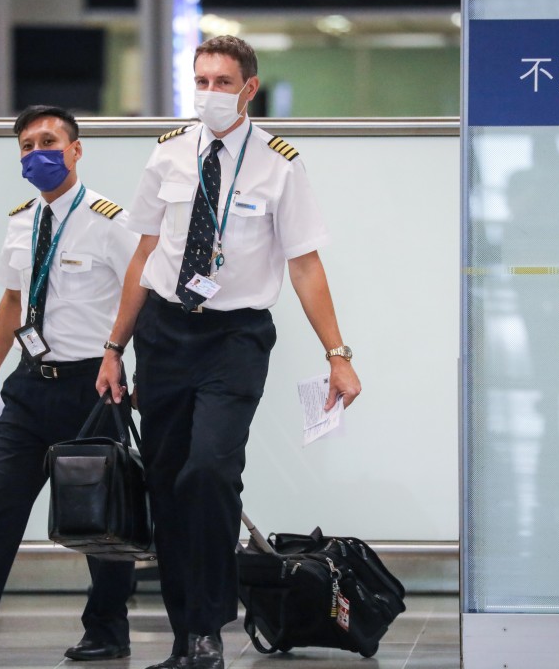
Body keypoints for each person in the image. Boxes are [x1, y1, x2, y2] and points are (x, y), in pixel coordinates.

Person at [96, 36, 362, 669]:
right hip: (164, 331)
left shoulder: (278, 163)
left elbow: (304, 265)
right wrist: (114, 347)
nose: (209, 93)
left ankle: (211, 625)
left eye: (222, 82)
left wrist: (338, 351)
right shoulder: (166, 156)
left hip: (235, 338)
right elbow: (141, 256)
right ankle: (188, 634)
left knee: (210, 471)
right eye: (201, 80)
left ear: (249, 88)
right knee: (165, 482)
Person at [0, 105, 139, 664]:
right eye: (27, 144)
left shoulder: (111, 221)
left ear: (76, 148)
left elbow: (142, 297)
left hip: (93, 386)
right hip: (29, 385)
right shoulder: (21, 220)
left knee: (101, 516)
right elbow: (12, 300)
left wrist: (124, 363)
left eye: (49, 140)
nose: (38, 152)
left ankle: (107, 629)